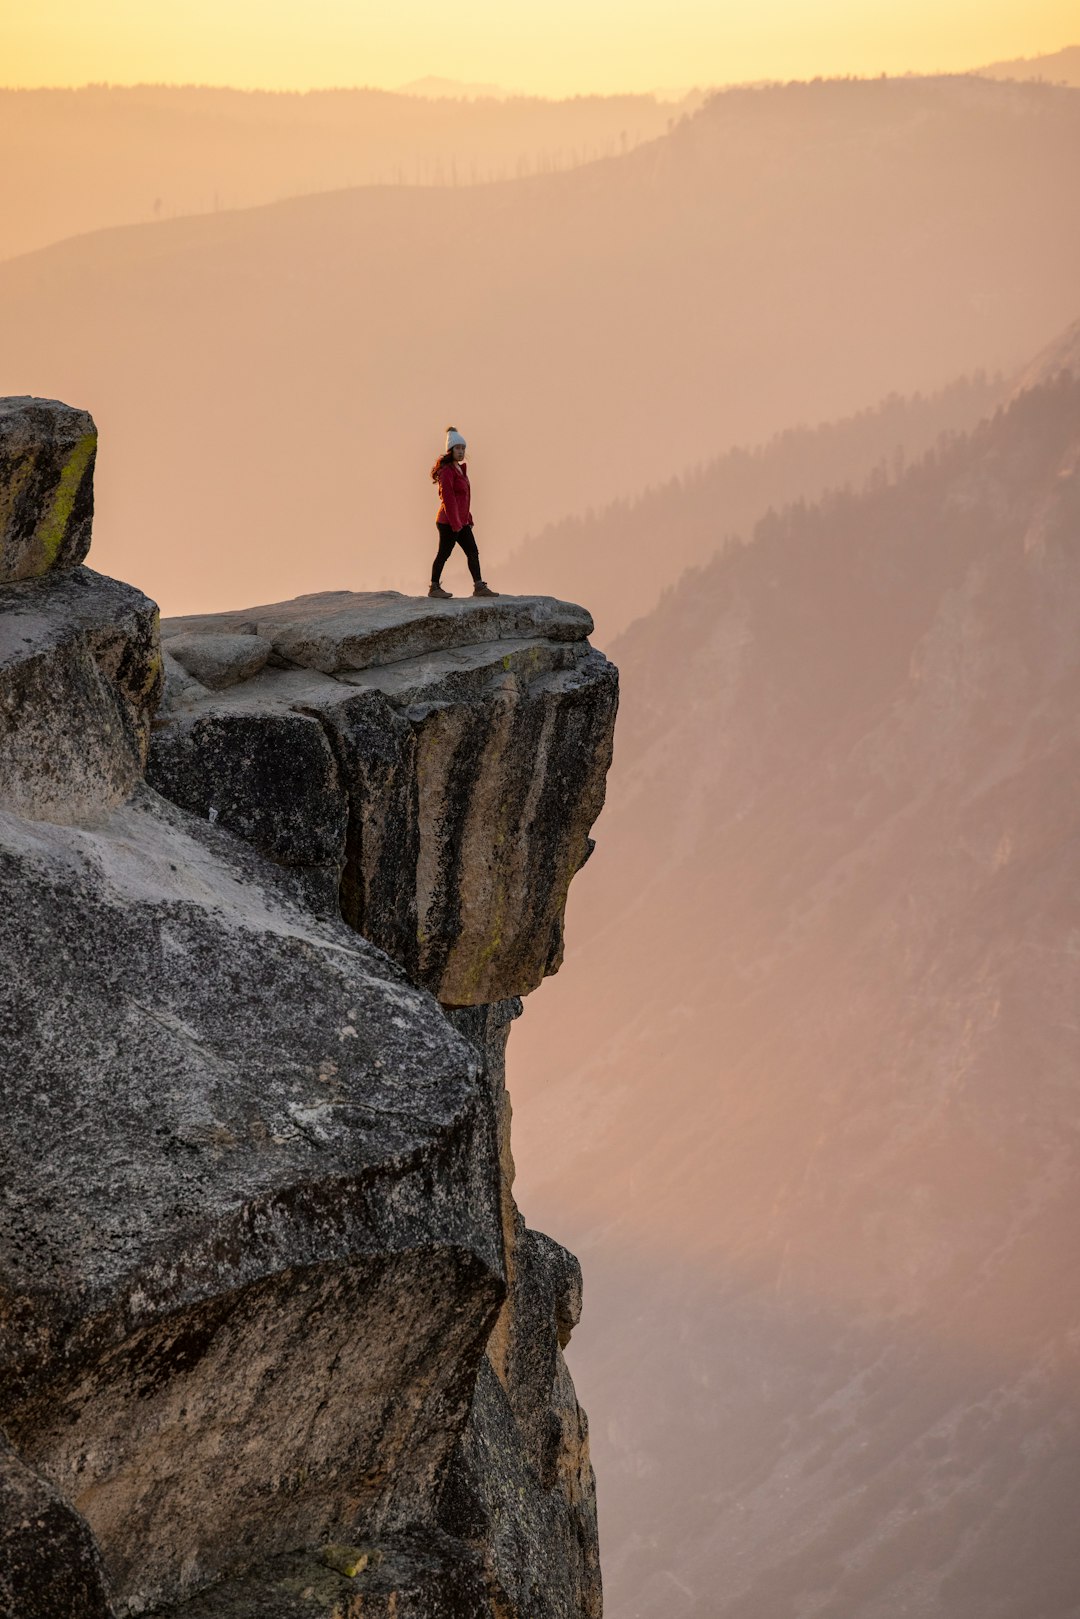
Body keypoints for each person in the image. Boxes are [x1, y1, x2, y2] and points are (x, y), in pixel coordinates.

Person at [429, 428, 498, 598]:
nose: (461, 452)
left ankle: (479, 586)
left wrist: (468, 518)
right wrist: (455, 523)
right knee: (444, 553)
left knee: (472, 551)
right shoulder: (446, 471)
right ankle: (434, 588)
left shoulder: (460, 469)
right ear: (450, 450)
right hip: (448, 522)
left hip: (461, 521)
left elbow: (463, 499)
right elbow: (448, 499)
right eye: (458, 448)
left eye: (463, 448)